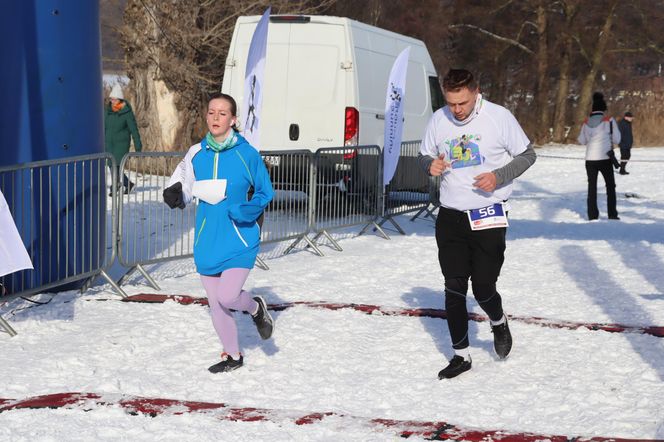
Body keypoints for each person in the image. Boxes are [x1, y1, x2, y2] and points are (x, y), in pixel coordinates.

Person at [418, 69, 536, 379]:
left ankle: (498, 321)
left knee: (483, 287)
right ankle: (461, 355)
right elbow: (423, 156)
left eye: (463, 103)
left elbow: (528, 155)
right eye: (451, 103)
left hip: (488, 214)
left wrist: (499, 176)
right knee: (454, 286)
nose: (457, 110)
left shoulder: (499, 117)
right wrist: (430, 165)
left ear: (476, 92)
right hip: (451, 215)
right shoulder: (438, 119)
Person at [162, 92, 274, 373]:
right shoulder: (196, 152)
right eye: (211, 112)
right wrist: (177, 193)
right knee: (216, 304)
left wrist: (247, 210)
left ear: (233, 120)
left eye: (222, 113)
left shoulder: (246, 154)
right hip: (207, 240)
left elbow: (265, 191)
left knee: (227, 296)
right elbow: (185, 180)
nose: (215, 118)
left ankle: (255, 308)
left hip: (240, 237)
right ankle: (233, 356)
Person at [578, 92, 621, 220]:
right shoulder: (609, 121)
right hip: (605, 158)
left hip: (590, 159)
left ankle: (592, 215)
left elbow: (582, 140)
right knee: (610, 187)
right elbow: (617, 139)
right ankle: (612, 214)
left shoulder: (586, 122)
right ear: (604, 109)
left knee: (592, 187)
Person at [104, 84, 142, 195]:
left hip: (121, 144)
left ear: (120, 99)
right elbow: (102, 127)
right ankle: (128, 184)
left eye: (115, 99)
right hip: (109, 144)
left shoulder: (126, 113)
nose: (112, 101)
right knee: (112, 166)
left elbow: (134, 130)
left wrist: (138, 145)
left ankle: (115, 187)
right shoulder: (107, 112)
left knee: (117, 166)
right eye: (111, 99)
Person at [617, 111, 634, 175]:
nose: (631, 118)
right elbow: (620, 134)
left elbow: (629, 134)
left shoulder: (628, 123)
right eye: (630, 117)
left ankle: (622, 169)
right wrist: (621, 142)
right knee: (624, 156)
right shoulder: (622, 123)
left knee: (628, 156)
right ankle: (622, 170)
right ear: (626, 117)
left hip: (628, 143)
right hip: (623, 144)